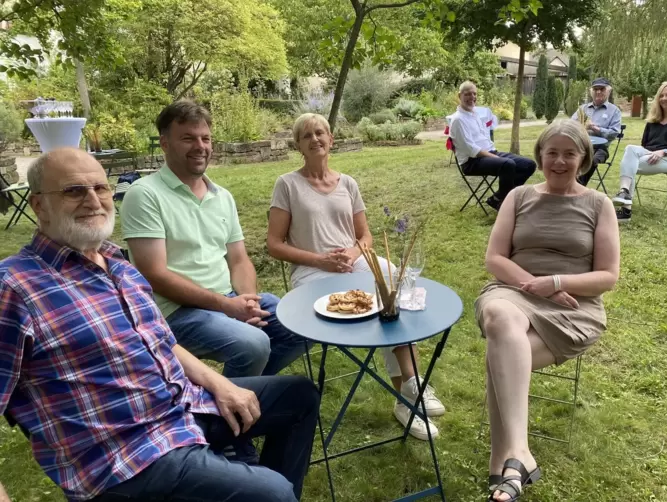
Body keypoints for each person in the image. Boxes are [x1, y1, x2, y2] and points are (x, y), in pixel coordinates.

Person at [0, 148, 319, 502]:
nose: (93, 200)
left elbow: (162, 343)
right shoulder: (14, 287)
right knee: (271, 494)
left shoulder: (118, 265)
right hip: (123, 455)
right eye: (74, 191)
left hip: (181, 406)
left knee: (299, 396)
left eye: (101, 188)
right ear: (39, 205)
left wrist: (220, 385)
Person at [266, 113, 446, 441]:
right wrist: (322, 260)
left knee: (395, 286)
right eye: (307, 135)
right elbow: (274, 245)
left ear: (331, 139)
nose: (315, 138)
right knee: (379, 312)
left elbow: (365, 237)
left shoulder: (347, 183)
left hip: (355, 262)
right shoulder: (287, 184)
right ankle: (412, 393)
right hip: (311, 270)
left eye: (320, 132)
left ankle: (409, 393)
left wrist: (352, 253)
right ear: (299, 145)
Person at [475, 121, 620, 501]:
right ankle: (519, 453)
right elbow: (494, 259)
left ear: (584, 159)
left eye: (569, 154)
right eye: (551, 153)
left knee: (500, 354)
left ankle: (499, 465)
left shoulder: (599, 204)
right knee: (501, 319)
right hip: (512, 290)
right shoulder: (518, 197)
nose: (559, 161)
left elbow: (607, 277)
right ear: (540, 157)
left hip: (574, 307)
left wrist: (555, 284)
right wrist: (533, 285)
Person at [120, 100, 307, 378]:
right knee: (253, 344)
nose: (200, 146)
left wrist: (247, 300)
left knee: (301, 326)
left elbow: (239, 259)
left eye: (205, 138)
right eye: (188, 138)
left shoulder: (222, 196)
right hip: (176, 312)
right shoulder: (144, 194)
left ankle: (229, 396)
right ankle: (235, 405)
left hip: (228, 299)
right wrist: (226, 307)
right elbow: (154, 274)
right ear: (164, 143)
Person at [611, 81, 667, 223]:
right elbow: (644, 146)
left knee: (631, 164)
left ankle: (625, 209)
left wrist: (663, 152)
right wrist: (650, 153)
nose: (664, 98)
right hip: (649, 155)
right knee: (630, 149)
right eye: (661, 95)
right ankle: (624, 193)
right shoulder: (653, 120)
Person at [449, 81, 536, 211]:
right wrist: (495, 158)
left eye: (474, 93)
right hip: (472, 162)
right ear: (459, 95)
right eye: (467, 94)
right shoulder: (458, 120)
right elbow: (471, 149)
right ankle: (505, 203)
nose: (472, 97)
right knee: (508, 164)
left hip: (490, 153)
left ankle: (499, 197)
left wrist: (495, 155)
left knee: (529, 164)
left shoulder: (475, 114)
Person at [570, 77, 623, 186]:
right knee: (566, 156)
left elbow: (614, 133)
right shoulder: (583, 108)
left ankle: (577, 187)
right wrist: (580, 127)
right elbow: (570, 126)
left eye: (602, 89)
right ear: (591, 91)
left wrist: (595, 128)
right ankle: (567, 185)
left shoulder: (614, 111)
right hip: (580, 145)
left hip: (600, 149)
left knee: (591, 160)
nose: (598, 91)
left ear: (609, 91)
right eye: (595, 89)